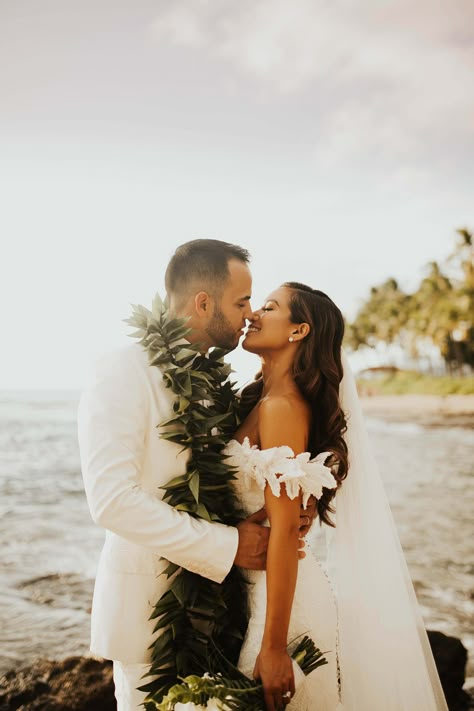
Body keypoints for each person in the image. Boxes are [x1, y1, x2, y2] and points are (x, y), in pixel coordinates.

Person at [77, 240, 316, 711]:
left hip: (224, 615)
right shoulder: (124, 371)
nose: (250, 314)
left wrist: (280, 514)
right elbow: (110, 500)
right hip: (150, 622)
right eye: (242, 301)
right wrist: (228, 546)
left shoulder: (215, 386)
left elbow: (225, 478)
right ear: (204, 303)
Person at [225, 282, 448, 710]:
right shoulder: (260, 401)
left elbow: (286, 530)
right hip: (257, 594)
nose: (253, 313)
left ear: (298, 331)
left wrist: (273, 648)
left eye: (269, 307)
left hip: (282, 612)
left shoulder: (282, 408)